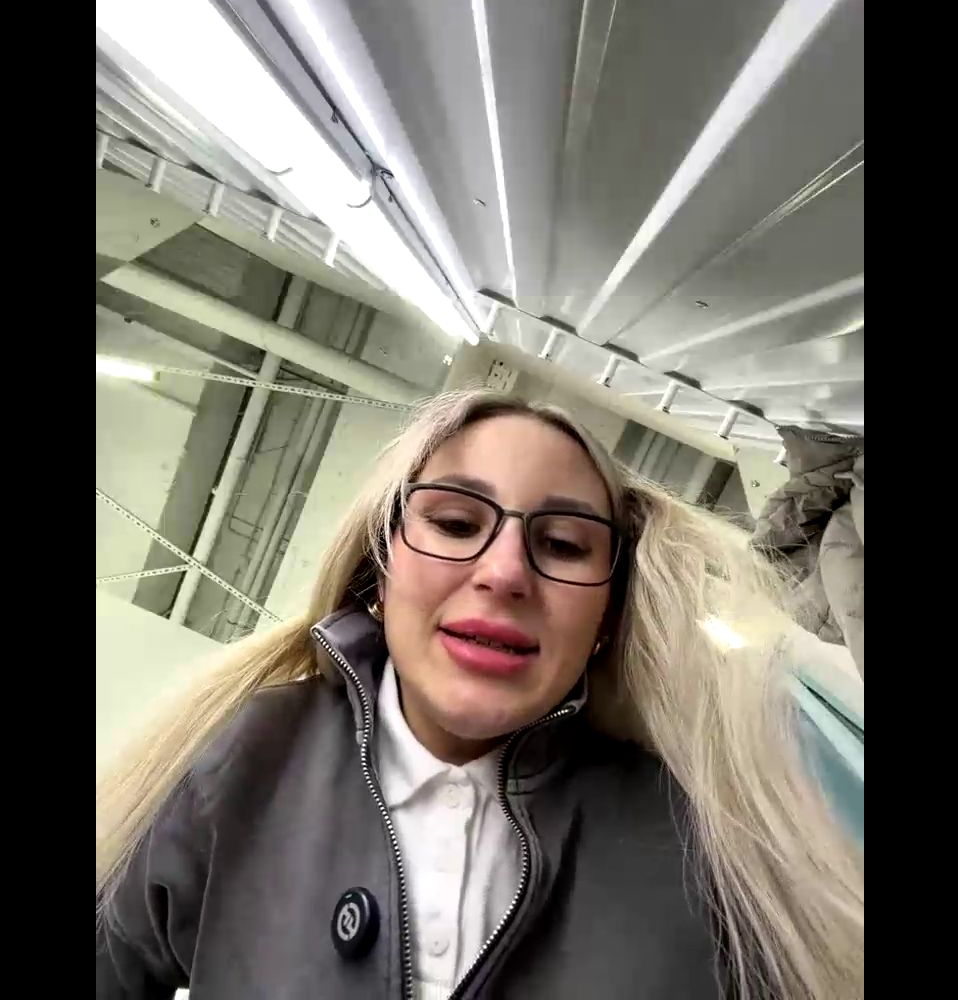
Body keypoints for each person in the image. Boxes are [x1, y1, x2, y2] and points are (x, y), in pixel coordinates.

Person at [96, 390, 863, 999]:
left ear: (605, 617)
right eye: (458, 523)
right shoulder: (243, 755)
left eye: (562, 544)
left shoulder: (712, 836)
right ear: (380, 567)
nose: (504, 573)